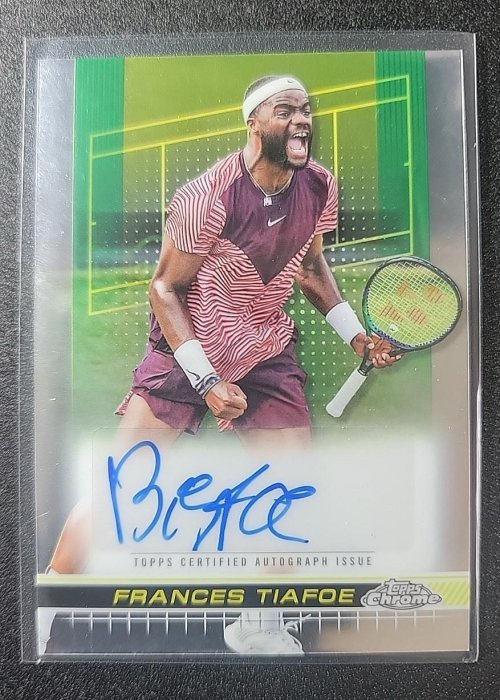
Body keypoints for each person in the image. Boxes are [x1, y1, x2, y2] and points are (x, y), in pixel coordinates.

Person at [43, 75, 399, 656]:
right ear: (254, 123)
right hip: (189, 347)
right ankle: (48, 604)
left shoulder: (319, 185)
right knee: (122, 488)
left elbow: (310, 267)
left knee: (290, 489)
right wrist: (207, 379)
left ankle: (257, 622)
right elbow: (165, 288)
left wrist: (355, 336)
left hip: (262, 347)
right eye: (286, 110)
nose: (302, 119)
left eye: (306, 110)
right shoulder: (206, 196)